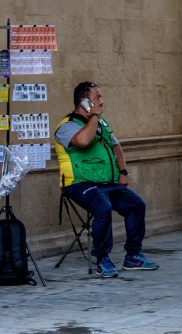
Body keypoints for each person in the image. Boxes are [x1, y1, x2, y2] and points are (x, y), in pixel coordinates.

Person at [54, 81, 159, 278]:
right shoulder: (66, 125)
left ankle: (133, 256)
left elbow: (116, 147)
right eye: (97, 97)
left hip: (107, 183)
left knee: (136, 205)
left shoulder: (101, 122)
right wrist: (93, 115)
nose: (102, 101)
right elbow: (83, 141)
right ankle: (102, 259)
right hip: (79, 183)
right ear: (84, 101)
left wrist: (123, 172)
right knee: (102, 208)